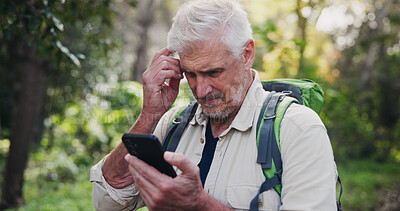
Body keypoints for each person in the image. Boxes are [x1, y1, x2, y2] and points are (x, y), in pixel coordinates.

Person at [90, 0, 338, 210]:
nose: (201, 90)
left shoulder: (298, 129)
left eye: (213, 72)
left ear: (247, 54)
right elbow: (105, 202)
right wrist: (150, 115)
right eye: (191, 74)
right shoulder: (173, 125)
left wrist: (200, 204)